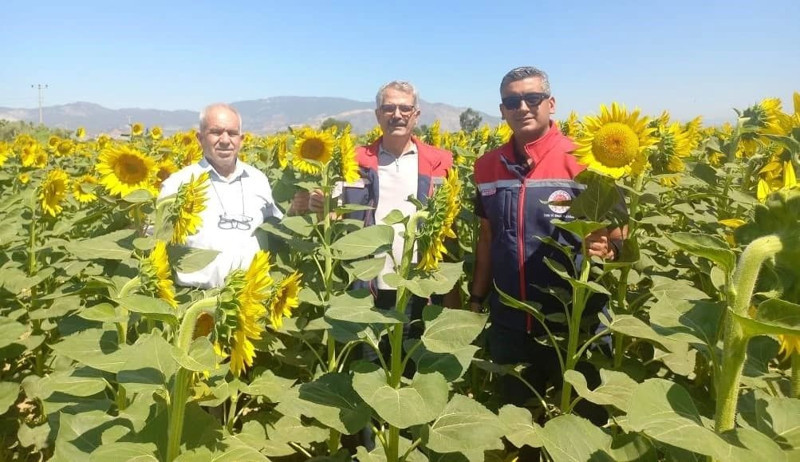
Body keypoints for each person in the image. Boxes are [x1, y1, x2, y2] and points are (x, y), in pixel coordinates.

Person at [470, 67, 623, 413]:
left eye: (532, 98)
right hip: (510, 321)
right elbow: (487, 238)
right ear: (503, 110)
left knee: (584, 421)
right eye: (512, 101)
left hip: (576, 324)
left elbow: (620, 235)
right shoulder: (487, 167)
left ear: (550, 103)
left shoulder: (586, 160)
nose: (523, 107)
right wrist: (476, 299)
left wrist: (608, 250)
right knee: (517, 421)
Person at [306, 80, 455, 339]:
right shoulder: (354, 159)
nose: (397, 115)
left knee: (413, 362)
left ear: (416, 114)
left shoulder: (440, 161)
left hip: (418, 284)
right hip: (368, 283)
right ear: (378, 115)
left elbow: (448, 226)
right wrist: (319, 206)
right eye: (389, 108)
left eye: (405, 108)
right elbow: (336, 216)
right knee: (371, 360)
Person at [159, 103, 296, 288]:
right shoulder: (177, 185)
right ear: (200, 138)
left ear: (241, 139)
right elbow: (157, 245)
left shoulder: (258, 179)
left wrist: (296, 212)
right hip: (196, 303)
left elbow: (275, 231)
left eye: (232, 133)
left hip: (252, 299)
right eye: (216, 132)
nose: (225, 140)